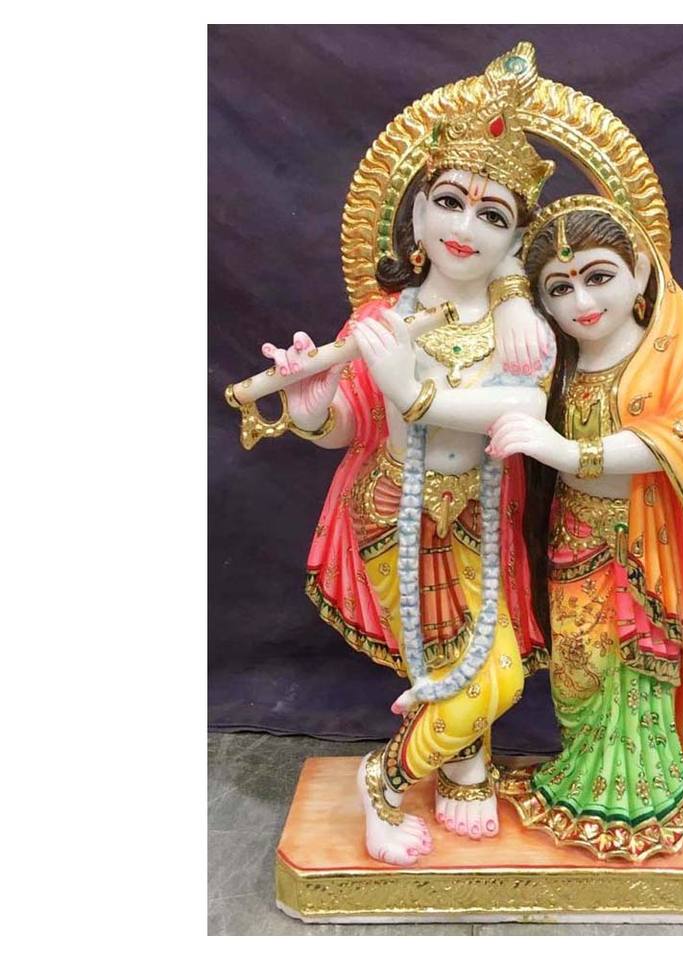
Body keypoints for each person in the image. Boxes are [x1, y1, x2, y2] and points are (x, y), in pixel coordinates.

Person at [261, 48, 555, 866]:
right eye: (449, 202)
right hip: (392, 511)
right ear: (417, 216)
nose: (465, 227)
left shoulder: (522, 325)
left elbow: (525, 409)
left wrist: (417, 392)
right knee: (459, 664)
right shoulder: (381, 319)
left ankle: (392, 776)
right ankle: (455, 763)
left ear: (515, 240)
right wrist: (312, 411)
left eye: (492, 215)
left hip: (480, 517)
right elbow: (352, 426)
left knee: (488, 668)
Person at [489, 195, 683, 861]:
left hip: (644, 545)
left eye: (599, 277)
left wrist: (569, 453)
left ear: (641, 270)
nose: (582, 302)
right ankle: (582, 774)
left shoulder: (679, 351)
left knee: (637, 666)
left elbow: (681, 437)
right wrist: (510, 294)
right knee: (579, 665)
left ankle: (642, 797)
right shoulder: (559, 363)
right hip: (572, 535)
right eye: (558, 288)